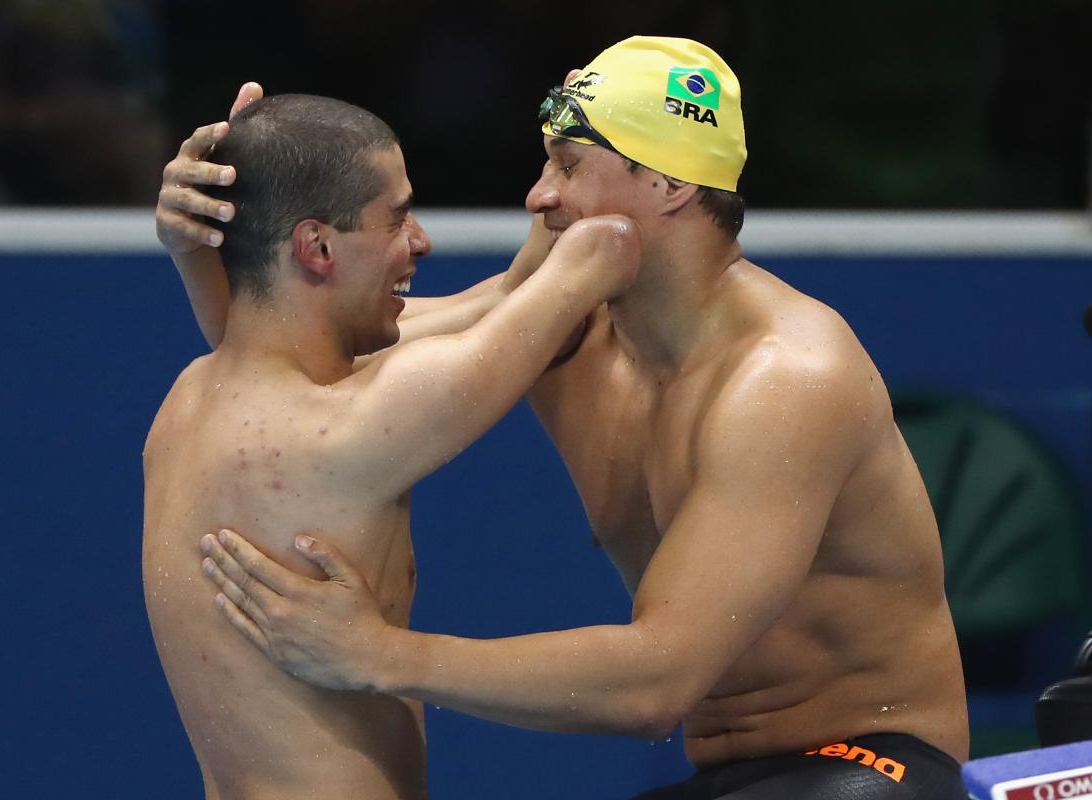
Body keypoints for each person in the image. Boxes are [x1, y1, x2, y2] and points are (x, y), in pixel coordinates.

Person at [185, 37, 972, 798]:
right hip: (726, 775)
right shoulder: (566, 334)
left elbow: (657, 682)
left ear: (669, 185)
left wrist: (377, 654)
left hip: (870, 760)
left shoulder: (786, 379)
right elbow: (282, 362)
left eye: (567, 165)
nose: (539, 195)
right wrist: (201, 236)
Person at [143, 92, 639, 800]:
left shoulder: (192, 399)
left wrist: (198, 245)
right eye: (397, 216)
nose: (421, 242)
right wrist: (594, 144)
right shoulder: (348, 428)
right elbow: (594, 260)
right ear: (316, 247)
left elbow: (501, 299)